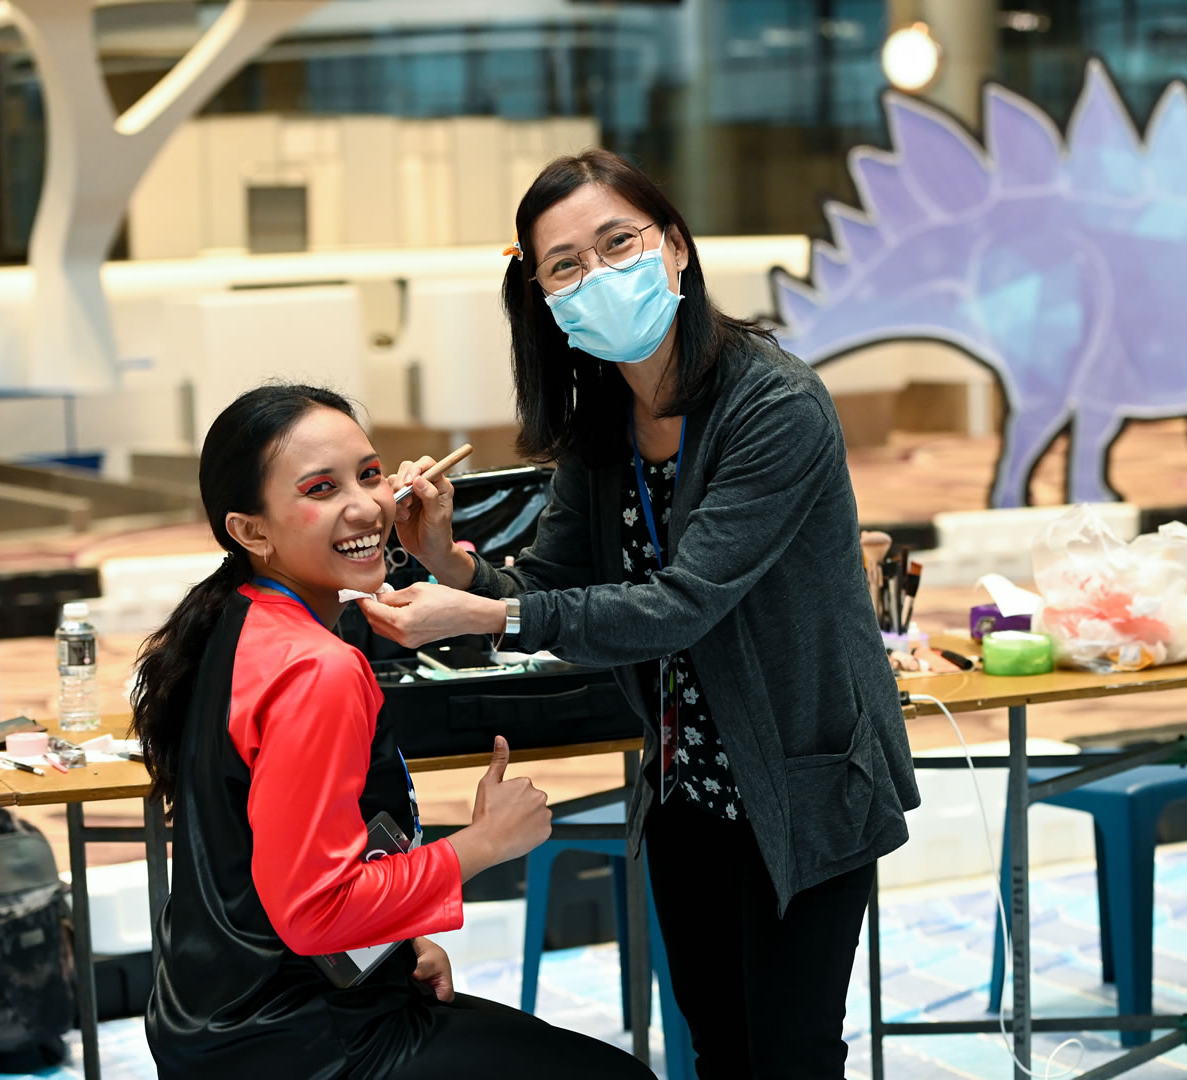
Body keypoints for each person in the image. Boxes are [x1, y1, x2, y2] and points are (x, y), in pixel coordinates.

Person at [357, 149, 921, 1078]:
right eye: (566, 266)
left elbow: (680, 606)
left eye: (618, 243)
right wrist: (445, 559)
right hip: (684, 790)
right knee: (719, 1049)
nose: (598, 275)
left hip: (803, 784)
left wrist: (481, 615)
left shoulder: (774, 404)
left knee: (791, 1055)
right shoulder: (604, 426)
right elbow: (548, 589)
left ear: (677, 250)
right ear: (540, 296)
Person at [131, 383, 654, 1080]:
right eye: (321, 489)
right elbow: (316, 912)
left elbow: (274, 872)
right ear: (251, 530)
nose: (366, 506)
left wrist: (399, 944)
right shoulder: (318, 667)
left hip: (220, 1019)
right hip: (301, 1041)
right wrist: (483, 844)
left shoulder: (236, 617)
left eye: (370, 475)